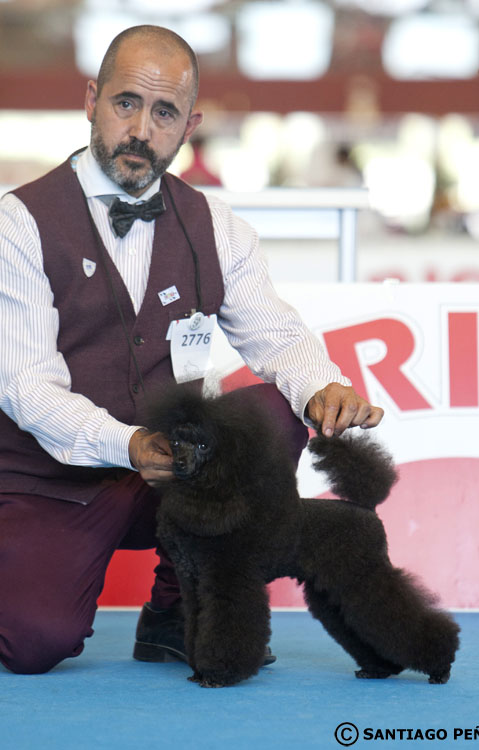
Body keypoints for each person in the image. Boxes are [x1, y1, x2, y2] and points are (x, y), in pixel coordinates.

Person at [0, 25, 383, 675]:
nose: (140, 129)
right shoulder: (18, 224)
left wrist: (322, 386)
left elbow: (278, 335)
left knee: (275, 412)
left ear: (189, 125)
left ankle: (177, 611)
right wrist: (128, 444)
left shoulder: (220, 228)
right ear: (91, 100)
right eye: (126, 103)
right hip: (52, 481)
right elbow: (26, 387)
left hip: (177, 475)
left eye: (164, 112)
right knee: (34, 642)